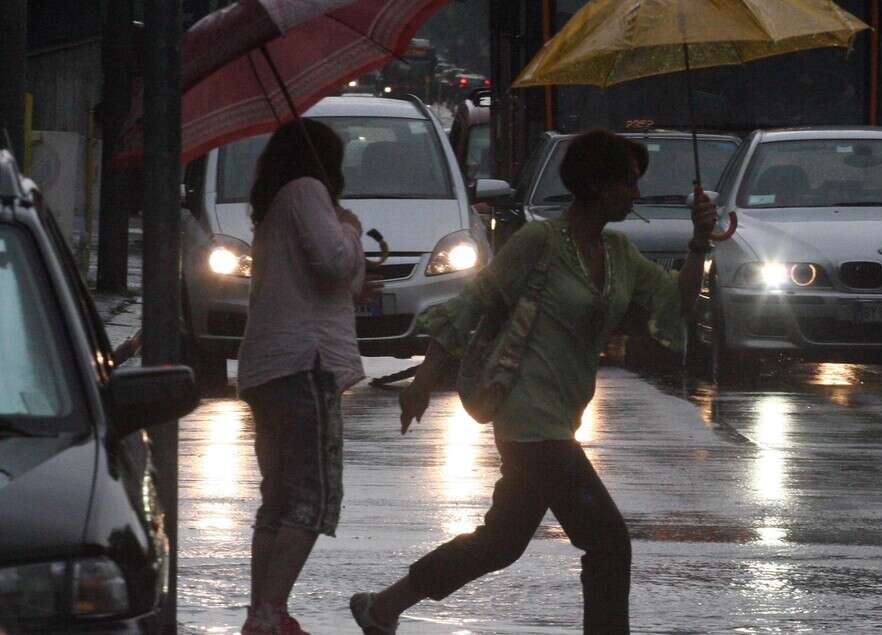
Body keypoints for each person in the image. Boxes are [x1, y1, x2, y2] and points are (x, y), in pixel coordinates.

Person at [350, 129, 718, 634]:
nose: (637, 194)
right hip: (527, 420)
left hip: (562, 418)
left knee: (501, 543)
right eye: (629, 183)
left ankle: (384, 606)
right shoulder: (539, 243)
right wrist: (425, 379)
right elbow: (473, 302)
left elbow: (675, 302)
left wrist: (700, 242)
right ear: (596, 185)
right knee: (608, 542)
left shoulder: (618, 252)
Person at [237, 118, 377, 635]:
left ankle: (263, 611)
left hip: (269, 367)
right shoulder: (307, 189)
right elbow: (335, 263)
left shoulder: (276, 202)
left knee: (279, 496)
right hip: (305, 364)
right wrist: (350, 226)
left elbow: (326, 276)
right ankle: (270, 611)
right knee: (313, 497)